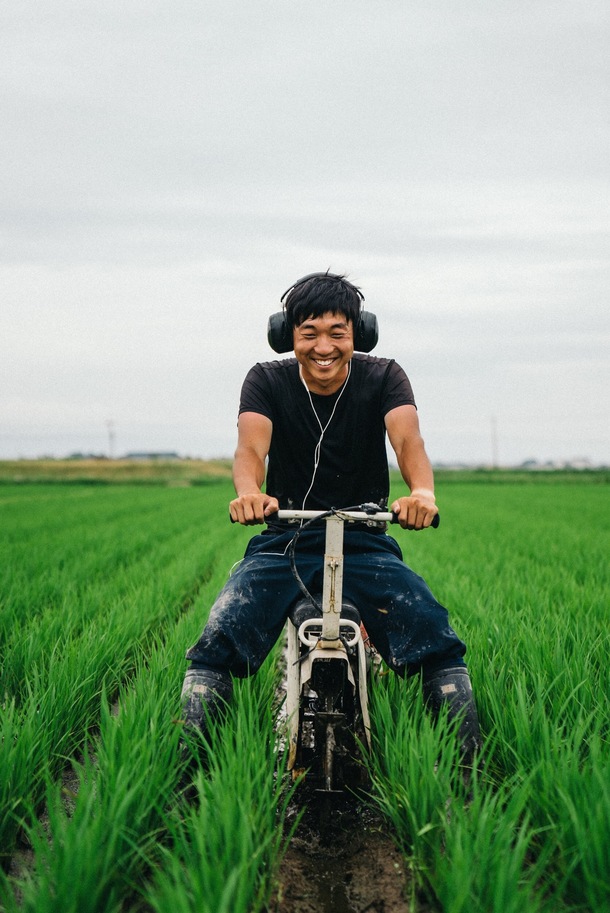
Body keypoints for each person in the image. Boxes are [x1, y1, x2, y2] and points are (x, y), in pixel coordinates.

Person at [181, 272, 481, 764]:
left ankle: (465, 771)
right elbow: (250, 448)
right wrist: (249, 493)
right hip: (287, 537)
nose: (324, 346)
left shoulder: (384, 376)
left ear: (357, 333)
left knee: (433, 636)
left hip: (364, 539)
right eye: (309, 333)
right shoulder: (266, 379)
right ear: (289, 335)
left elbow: (408, 442)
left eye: (337, 333)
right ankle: (187, 772)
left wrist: (421, 492)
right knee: (220, 638)